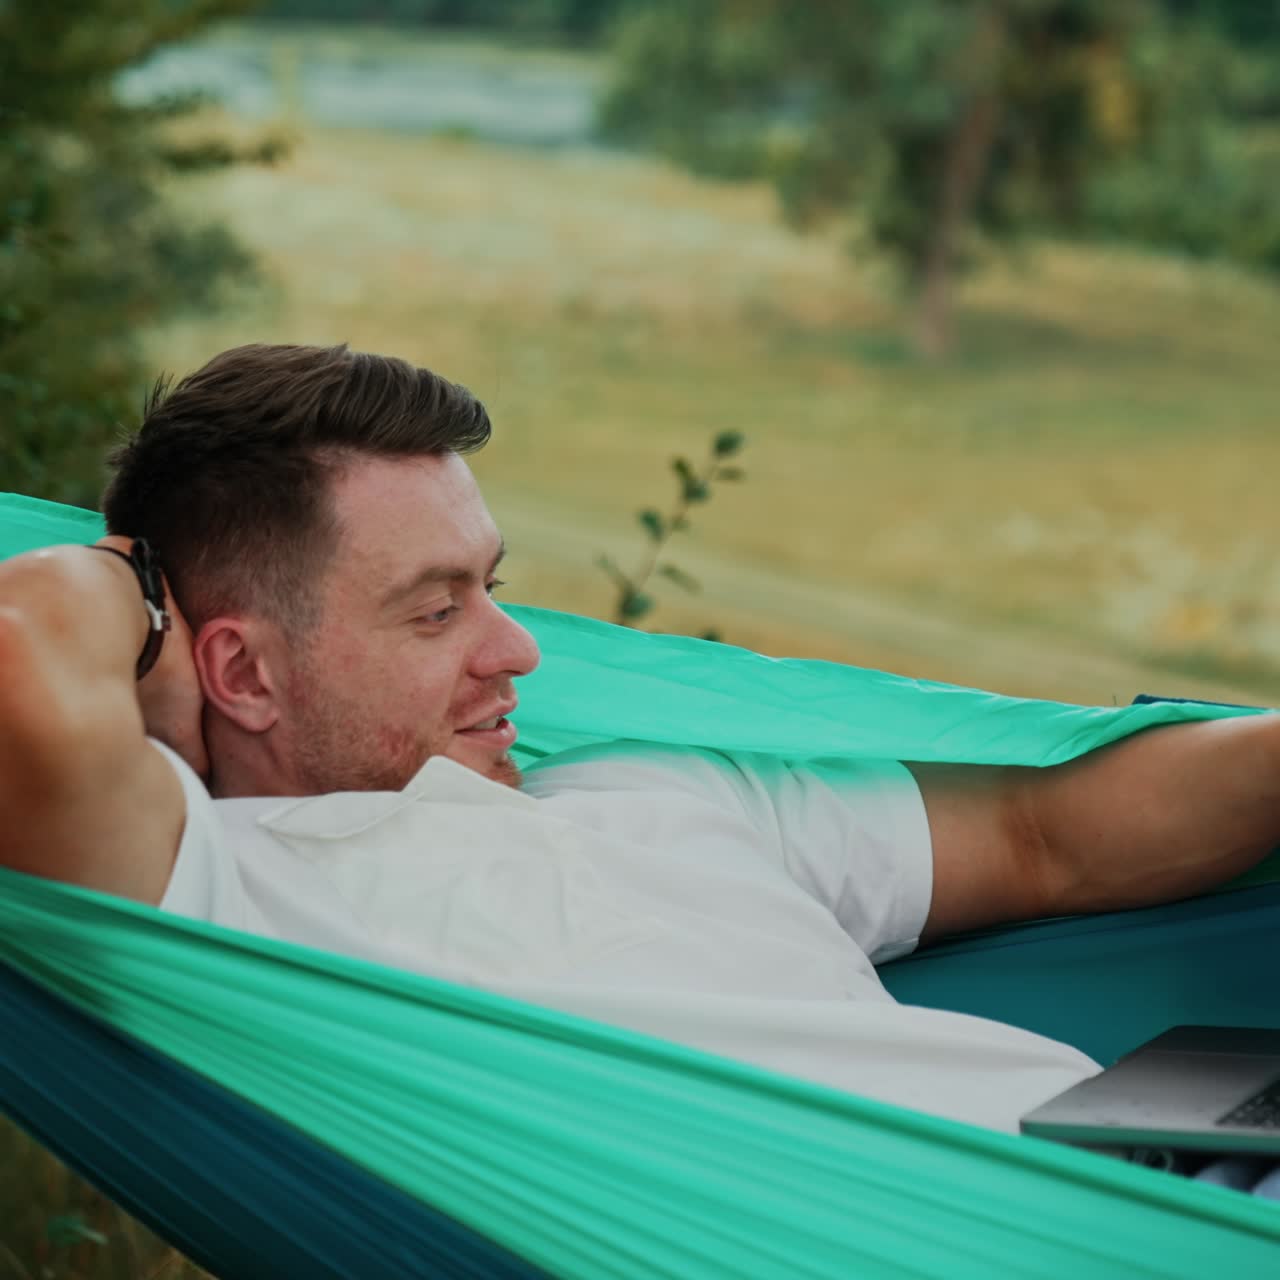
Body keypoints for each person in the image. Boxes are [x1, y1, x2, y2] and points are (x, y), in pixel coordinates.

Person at [2, 342, 1277, 1135]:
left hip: (1161, 1186)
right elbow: (26, 646)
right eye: (437, 609)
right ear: (239, 669)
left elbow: (1045, 832)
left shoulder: (635, 782)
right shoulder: (233, 898)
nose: (517, 649)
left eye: (493, 586)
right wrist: (141, 590)